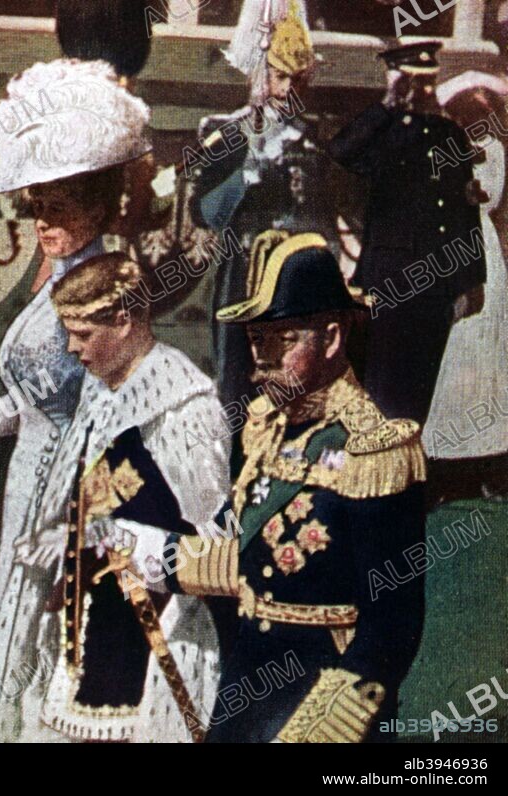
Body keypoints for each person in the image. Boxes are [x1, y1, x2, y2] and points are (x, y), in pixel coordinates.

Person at [0, 58, 152, 742]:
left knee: (39, 624)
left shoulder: (107, 290)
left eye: (61, 207)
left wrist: (86, 517)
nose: (44, 221)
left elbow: (119, 411)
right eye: (38, 206)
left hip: (72, 490)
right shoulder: (59, 283)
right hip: (28, 476)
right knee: (14, 623)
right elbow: (27, 396)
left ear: (97, 208)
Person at [156, 230, 427, 742]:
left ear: (330, 337)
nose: (261, 360)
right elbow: (247, 554)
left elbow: (391, 628)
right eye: (256, 340)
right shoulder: (264, 428)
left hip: (328, 699)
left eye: (282, 339)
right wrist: (163, 559)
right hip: (248, 682)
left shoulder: (376, 451)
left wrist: (321, 730)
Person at [12, 252, 229, 742]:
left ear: (125, 320)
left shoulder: (185, 408)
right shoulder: (101, 390)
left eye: (82, 334)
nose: (71, 348)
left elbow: (213, 536)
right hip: (91, 620)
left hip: (157, 630)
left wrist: (138, 547)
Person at [187, 0, 341, 461]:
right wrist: (247, 175)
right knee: (237, 370)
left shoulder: (318, 141)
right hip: (245, 270)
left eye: (298, 80)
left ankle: (287, 461)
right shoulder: (229, 134)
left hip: (296, 276)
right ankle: (233, 462)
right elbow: (207, 212)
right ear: (264, 76)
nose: (287, 89)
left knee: (297, 369)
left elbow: (325, 220)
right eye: (279, 76)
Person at [329, 41, 486, 425]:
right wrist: (387, 103)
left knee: (425, 386)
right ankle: (381, 470)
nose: (422, 91)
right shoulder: (382, 130)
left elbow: (462, 208)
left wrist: (471, 279)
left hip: (438, 283)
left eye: (427, 82)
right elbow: (341, 151)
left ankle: (415, 470)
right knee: (385, 384)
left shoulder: (449, 133)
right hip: (393, 280)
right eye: (414, 82)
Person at [423, 72, 508, 502]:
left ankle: (483, 460)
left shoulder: (490, 151)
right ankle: (442, 462)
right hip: (451, 246)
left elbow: (484, 196)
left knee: (479, 355)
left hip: (480, 253)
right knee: (451, 358)